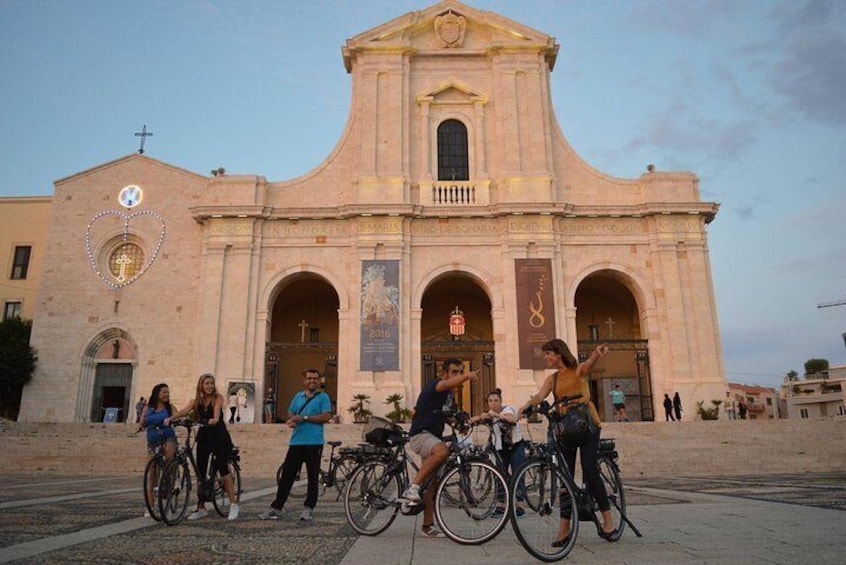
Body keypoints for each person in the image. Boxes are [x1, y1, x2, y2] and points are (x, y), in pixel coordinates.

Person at [519, 339, 615, 544]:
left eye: (548, 354)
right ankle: (564, 528)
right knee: (565, 477)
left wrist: (596, 354)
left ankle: (608, 520)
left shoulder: (577, 371)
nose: (545, 357)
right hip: (566, 430)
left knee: (589, 469)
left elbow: (588, 366)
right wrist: (524, 408)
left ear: (558, 353)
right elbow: (539, 396)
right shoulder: (552, 379)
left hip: (587, 426)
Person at [401, 358, 478, 538]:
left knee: (433, 485)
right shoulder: (436, 385)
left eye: (460, 371)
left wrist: (460, 425)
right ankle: (412, 487)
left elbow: (447, 416)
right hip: (421, 435)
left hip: (432, 437)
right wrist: (467, 375)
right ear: (443, 374)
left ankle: (427, 526)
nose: (457, 376)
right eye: (454, 372)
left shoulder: (447, 396)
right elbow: (446, 384)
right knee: (442, 450)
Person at [260, 368, 332, 522]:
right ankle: (277, 507)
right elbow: (290, 411)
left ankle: (308, 508)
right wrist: (293, 419)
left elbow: (326, 416)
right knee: (287, 475)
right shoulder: (298, 396)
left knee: (313, 476)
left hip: (314, 442)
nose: (312, 381)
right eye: (309, 378)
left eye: (315, 378)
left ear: (319, 381)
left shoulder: (323, 397)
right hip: (297, 441)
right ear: (304, 381)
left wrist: (304, 418)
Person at [170, 374, 240, 520]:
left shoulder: (218, 397)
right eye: (206, 383)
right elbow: (184, 411)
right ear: (201, 385)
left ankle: (234, 504)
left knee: (223, 467)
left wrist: (214, 419)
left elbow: (216, 410)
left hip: (219, 435)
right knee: (200, 470)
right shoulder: (198, 400)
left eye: (211, 383)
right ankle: (201, 507)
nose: (209, 386)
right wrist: (170, 419)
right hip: (204, 435)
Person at [469, 388, 526, 517]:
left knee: (518, 474)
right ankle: (500, 506)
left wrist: (497, 416)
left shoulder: (508, 409)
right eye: (490, 401)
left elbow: (512, 419)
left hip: (516, 446)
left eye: (496, 401)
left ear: (500, 402)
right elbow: (476, 419)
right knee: (499, 475)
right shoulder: (489, 414)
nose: (493, 403)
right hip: (501, 449)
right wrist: (470, 421)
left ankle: (520, 505)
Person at [138, 384, 176, 517]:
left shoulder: (170, 408)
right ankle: (150, 506)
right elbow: (142, 422)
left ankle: (172, 479)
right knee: (151, 474)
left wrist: (176, 420)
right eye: (163, 392)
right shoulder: (147, 408)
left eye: (168, 392)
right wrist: (140, 426)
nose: (166, 394)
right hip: (153, 441)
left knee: (170, 459)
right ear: (156, 393)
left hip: (168, 438)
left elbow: (177, 417)